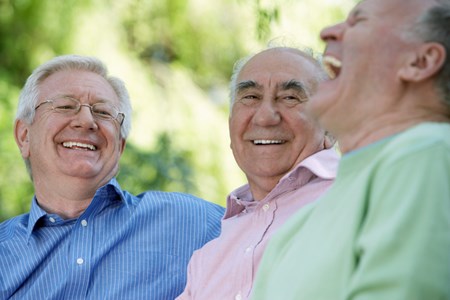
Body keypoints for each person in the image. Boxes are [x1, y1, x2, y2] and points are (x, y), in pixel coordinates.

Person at [251, 0, 450, 299]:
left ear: (419, 62)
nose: (327, 32)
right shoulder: (296, 229)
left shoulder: (426, 153)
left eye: (358, 21)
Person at [0, 54, 225, 299]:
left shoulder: (190, 222)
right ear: (24, 136)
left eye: (103, 112)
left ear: (119, 146)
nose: (86, 121)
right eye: (65, 106)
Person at [177, 47, 340, 300]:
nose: (265, 117)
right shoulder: (207, 257)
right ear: (232, 124)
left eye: (289, 97)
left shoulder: (362, 198)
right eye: (250, 97)